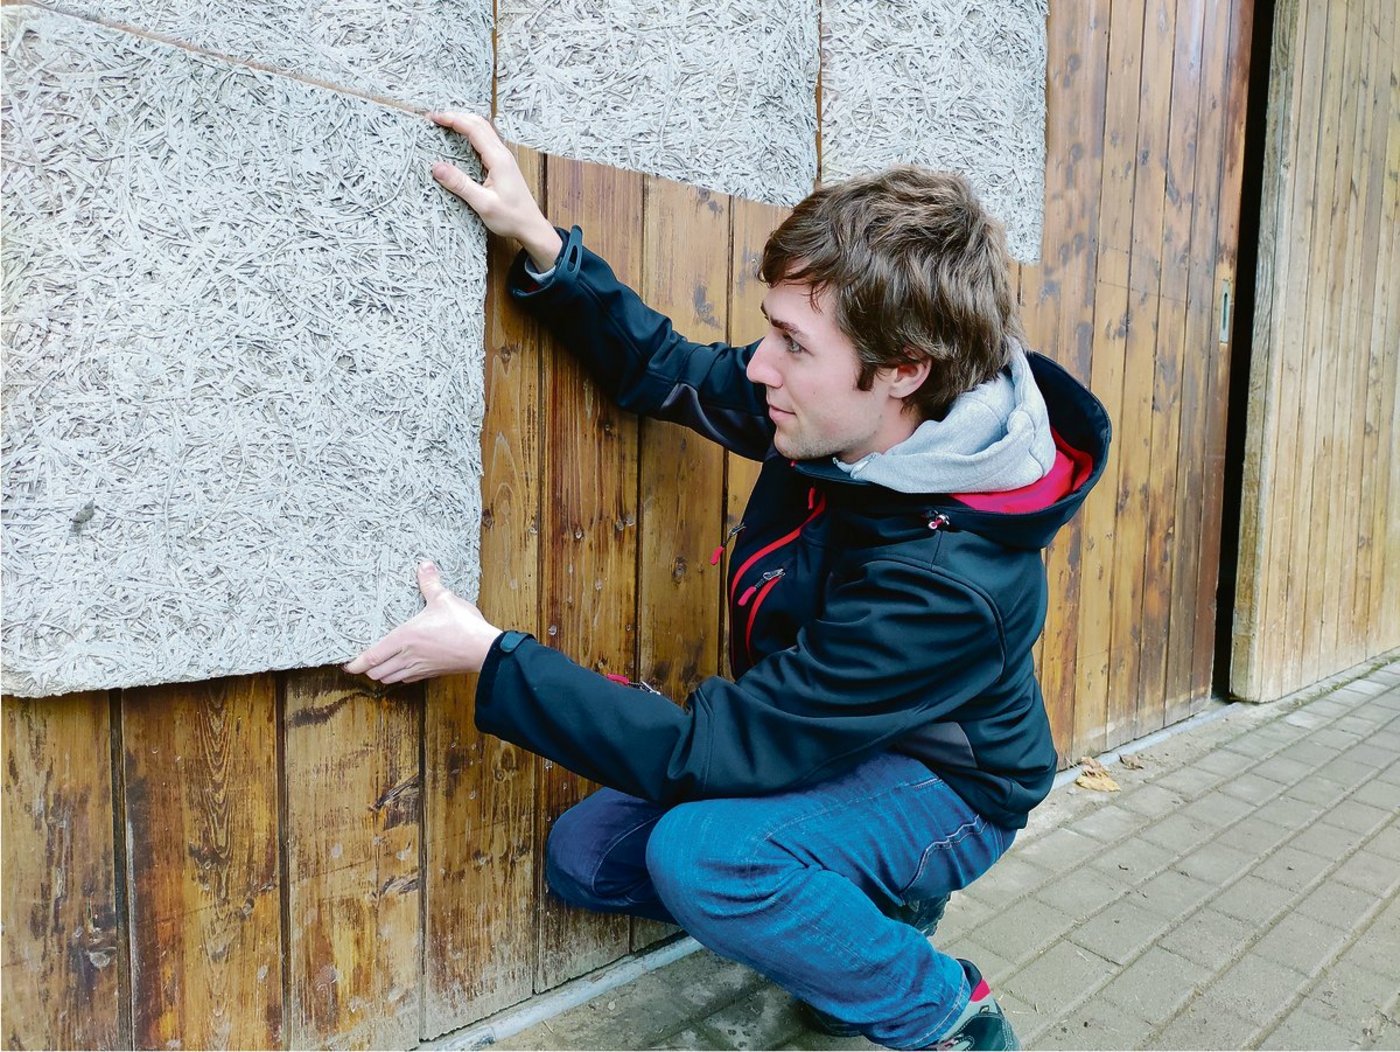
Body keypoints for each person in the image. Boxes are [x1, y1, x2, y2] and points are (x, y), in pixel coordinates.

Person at [346, 111, 1110, 1051]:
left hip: (948, 788)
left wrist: (491, 658)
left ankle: (939, 1003)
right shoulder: (848, 417)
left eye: (794, 344)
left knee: (706, 861)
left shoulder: (954, 586)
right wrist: (539, 243)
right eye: (771, 332)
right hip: (818, 736)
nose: (761, 365)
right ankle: (853, 914)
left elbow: (716, 752)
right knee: (591, 862)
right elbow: (669, 370)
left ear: (905, 370)